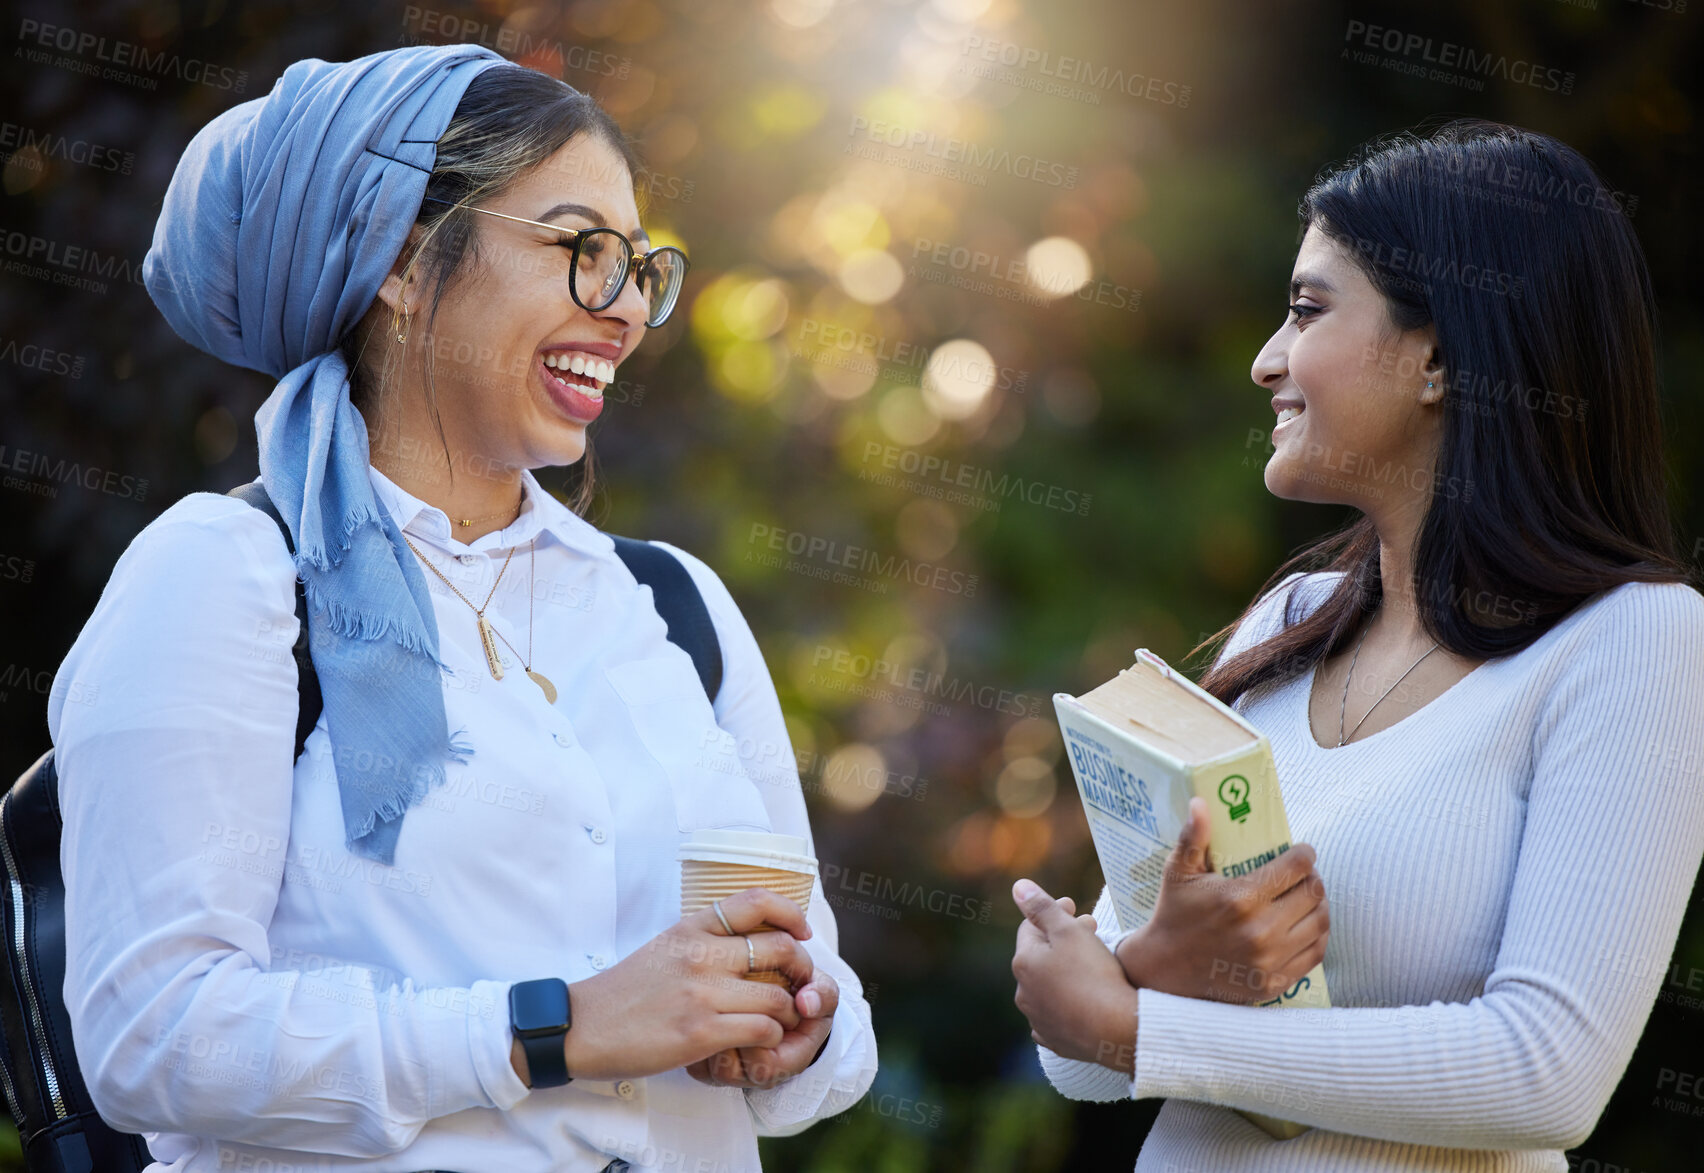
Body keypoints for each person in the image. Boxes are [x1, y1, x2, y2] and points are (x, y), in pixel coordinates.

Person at [49, 43, 875, 1173]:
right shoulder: (225, 576)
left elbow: (830, 1023)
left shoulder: (672, 605)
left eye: (640, 266)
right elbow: (156, 1039)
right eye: (583, 250)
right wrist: (556, 1028)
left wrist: (797, 1032)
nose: (627, 306)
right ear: (401, 254)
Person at [1009, 119, 1704, 1171]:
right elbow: (1078, 1058)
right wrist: (1147, 968)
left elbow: (1546, 1072)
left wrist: (1148, 1026)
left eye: (1307, 310)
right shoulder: (1284, 627)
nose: (1266, 361)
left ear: (1440, 356)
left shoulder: (1635, 643)